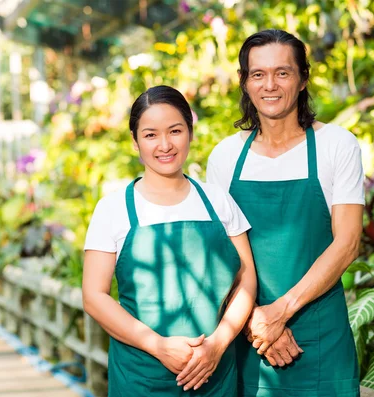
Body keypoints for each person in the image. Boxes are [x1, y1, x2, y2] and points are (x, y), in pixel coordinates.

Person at [207, 29, 364, 396]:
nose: (270, 85)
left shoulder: (335, 145)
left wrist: (279, 312)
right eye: (257, 74)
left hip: (321, 338)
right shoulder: (225, 157)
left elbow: (348, 242)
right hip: (252, 339)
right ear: (244, 82)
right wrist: (255, 322)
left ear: (303, 78)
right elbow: (221, 254)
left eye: (283, 72)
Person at [82, 85, 257, 396]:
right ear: (135, 141)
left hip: (215, 375)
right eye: (150, 135)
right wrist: (158, 346)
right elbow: (94, 296)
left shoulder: (218, 201)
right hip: (142, 377)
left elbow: (246, 280)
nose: (165, 144)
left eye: (175, 131)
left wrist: (217, 344)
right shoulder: (113, 209)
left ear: (189, 132)